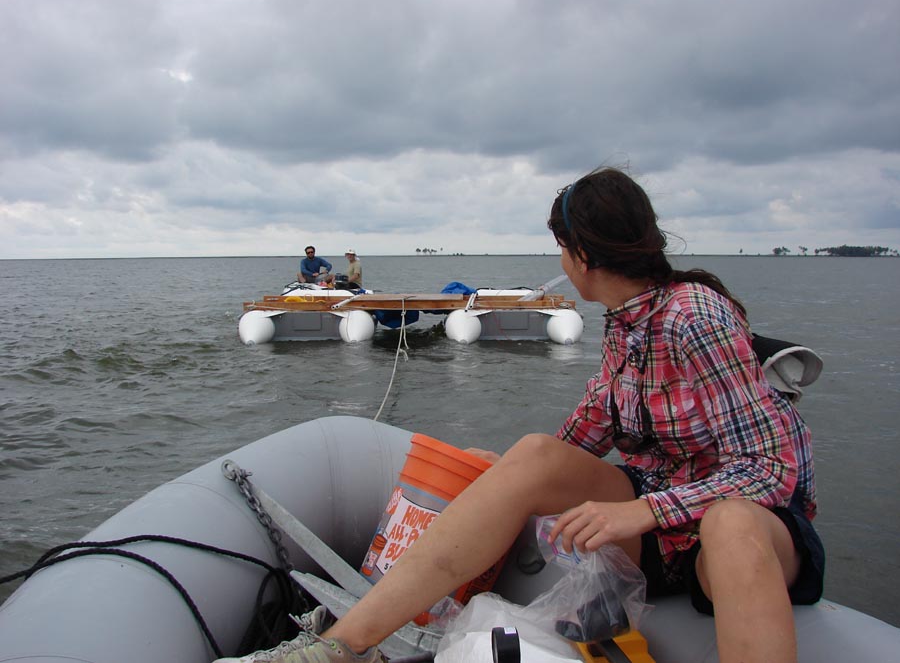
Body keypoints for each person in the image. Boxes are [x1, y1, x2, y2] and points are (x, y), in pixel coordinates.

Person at [218, 167, 824, 663]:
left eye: (561, 247)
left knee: (729, 525)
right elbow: (581, 437)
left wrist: (642, 509)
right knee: (530, 456)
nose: (559, 261)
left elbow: (771, 470)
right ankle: (337, 649)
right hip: (660, 530)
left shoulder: (697, 316)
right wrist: (506, 477)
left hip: (744, 530)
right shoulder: (625, 324)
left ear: (581, 253)